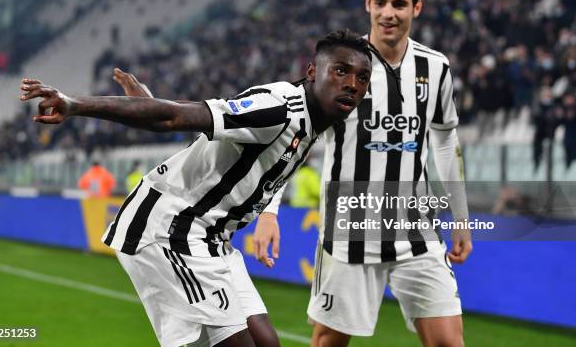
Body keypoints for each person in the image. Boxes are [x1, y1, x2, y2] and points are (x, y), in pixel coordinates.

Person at [20, 30, 382, 347]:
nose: (352, 83)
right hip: (170, 231)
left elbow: (230, 139)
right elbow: (175, 118)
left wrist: (268, 214)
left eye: (362, 77)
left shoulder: (318, 121)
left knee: (266, 341)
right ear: (312, 72)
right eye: (341, 71)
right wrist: (75, 105)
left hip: (212, 239)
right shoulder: (278, 109)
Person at [253, 0, 473, 347]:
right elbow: (298, 136)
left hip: (416, 230)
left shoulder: (435, 67)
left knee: (449, 342)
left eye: (400, 4)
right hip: (349, 231)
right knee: (329, 342)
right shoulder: (342, 66)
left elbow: (443, 141)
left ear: (416, 8)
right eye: (382, 2)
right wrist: (269, 212)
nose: (389, 13)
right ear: (368, 4)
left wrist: (460, 216)